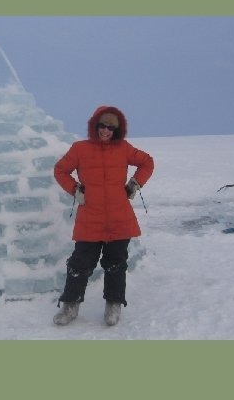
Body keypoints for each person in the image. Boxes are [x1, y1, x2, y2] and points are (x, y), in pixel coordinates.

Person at [52, 106, 154, 326]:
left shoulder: (124, 149)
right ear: (95, 126)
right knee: (79, 263)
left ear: (116, 130)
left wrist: (134, 184)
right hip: (91, 217)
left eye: (110, 128)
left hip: (119, 217)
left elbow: (147, 162)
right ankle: (70, 305)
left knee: (116, 263)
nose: (105, 131)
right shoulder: (80, 149)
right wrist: (75, 190)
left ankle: (114, 305)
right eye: (102, 126)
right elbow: (60, 170)